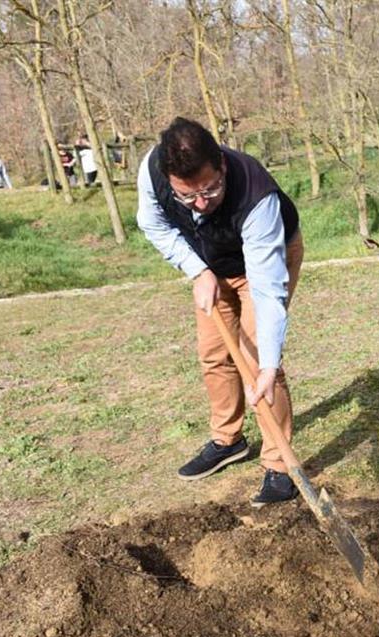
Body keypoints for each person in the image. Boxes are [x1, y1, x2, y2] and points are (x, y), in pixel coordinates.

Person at [136, 117, 305, 507]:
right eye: (187, 196)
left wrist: (267, 365)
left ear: (222, 166)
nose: (199, 203)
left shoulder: (255, 195)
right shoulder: (154, 169)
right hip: (209, 268)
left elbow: (266, 290)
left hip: (257, 267)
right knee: (214, 354)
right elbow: (152, 223)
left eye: (210, 190)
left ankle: (280, 467)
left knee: (257, 359)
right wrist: (197, 270)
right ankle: (228, 441)